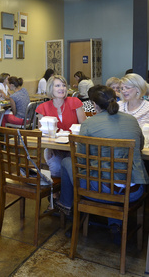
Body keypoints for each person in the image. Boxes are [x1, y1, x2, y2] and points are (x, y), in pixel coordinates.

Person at [56, 85, 148, 240]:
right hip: (134, 190)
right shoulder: (131, 121)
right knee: (111, 176)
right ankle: (115, 223)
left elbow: (81, 160)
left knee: (67, 162)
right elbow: (140, 144)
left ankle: (68, 209)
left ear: (94, 105)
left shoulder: (89, 124)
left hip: (102, 189)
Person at [36, 75, 86, 176]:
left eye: (63, 85)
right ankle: (57, 191)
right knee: (56, 168)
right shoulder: (43, 108)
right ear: (50, 88)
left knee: (73, 168)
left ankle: (70, 191)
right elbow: (42, 133)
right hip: (54, 148)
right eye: (57, 85)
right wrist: (48, 147)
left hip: (74, 147)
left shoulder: (75, 102)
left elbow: (85, 126)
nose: (62, 88)